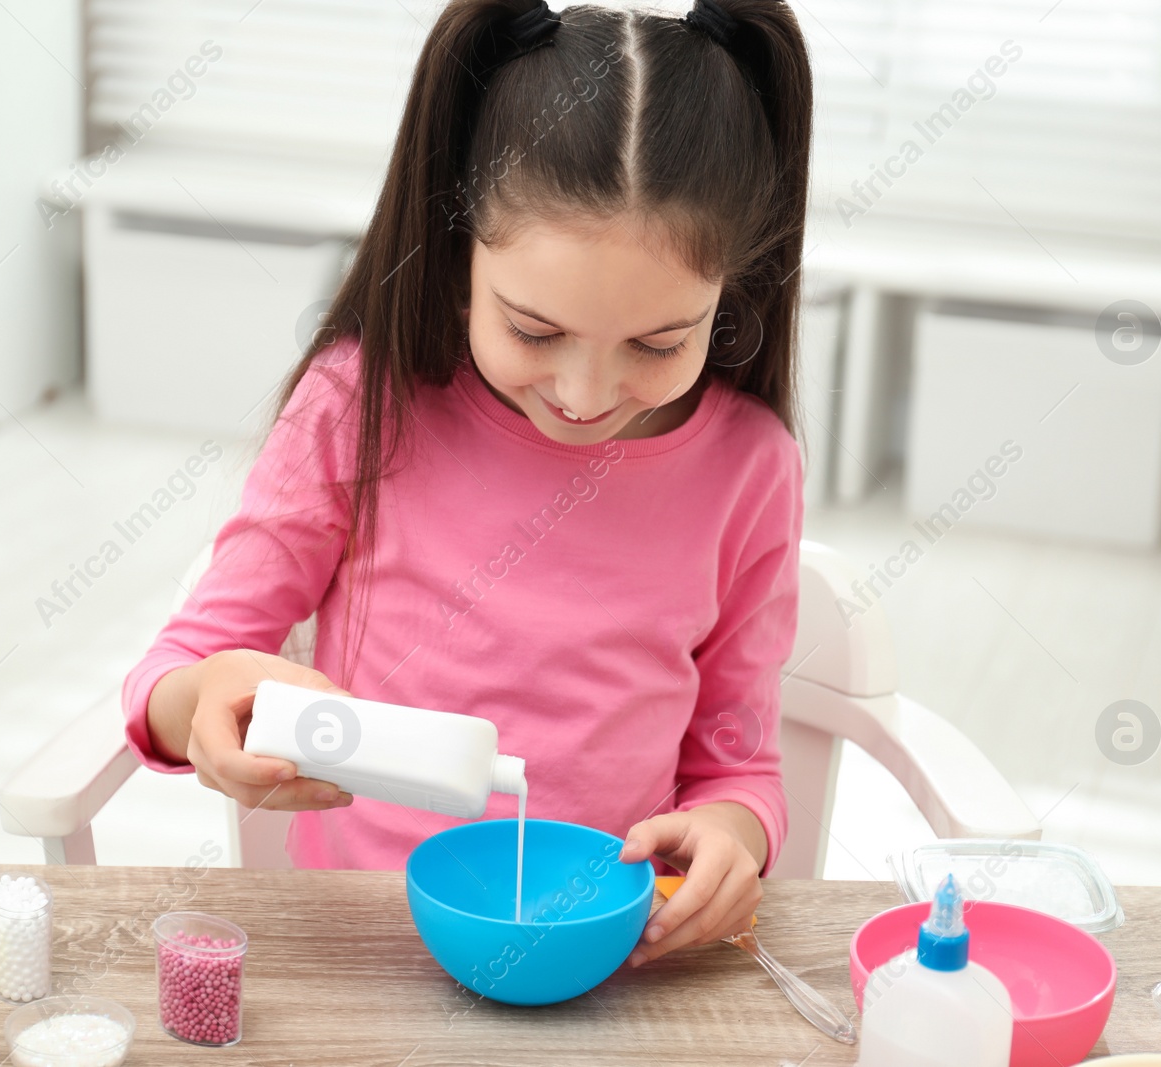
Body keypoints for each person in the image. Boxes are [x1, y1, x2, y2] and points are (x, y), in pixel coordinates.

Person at [124, 0, 813, 968]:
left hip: (603, 958)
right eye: (534, 330)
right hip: (359, 948)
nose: (584, 394)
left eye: (659, 343)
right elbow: (179, 669)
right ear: (457, 260)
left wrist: (733, 838)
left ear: (728, 299)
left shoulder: (749, 467)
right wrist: (201, 698)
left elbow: (737, 763)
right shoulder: (359, 404)